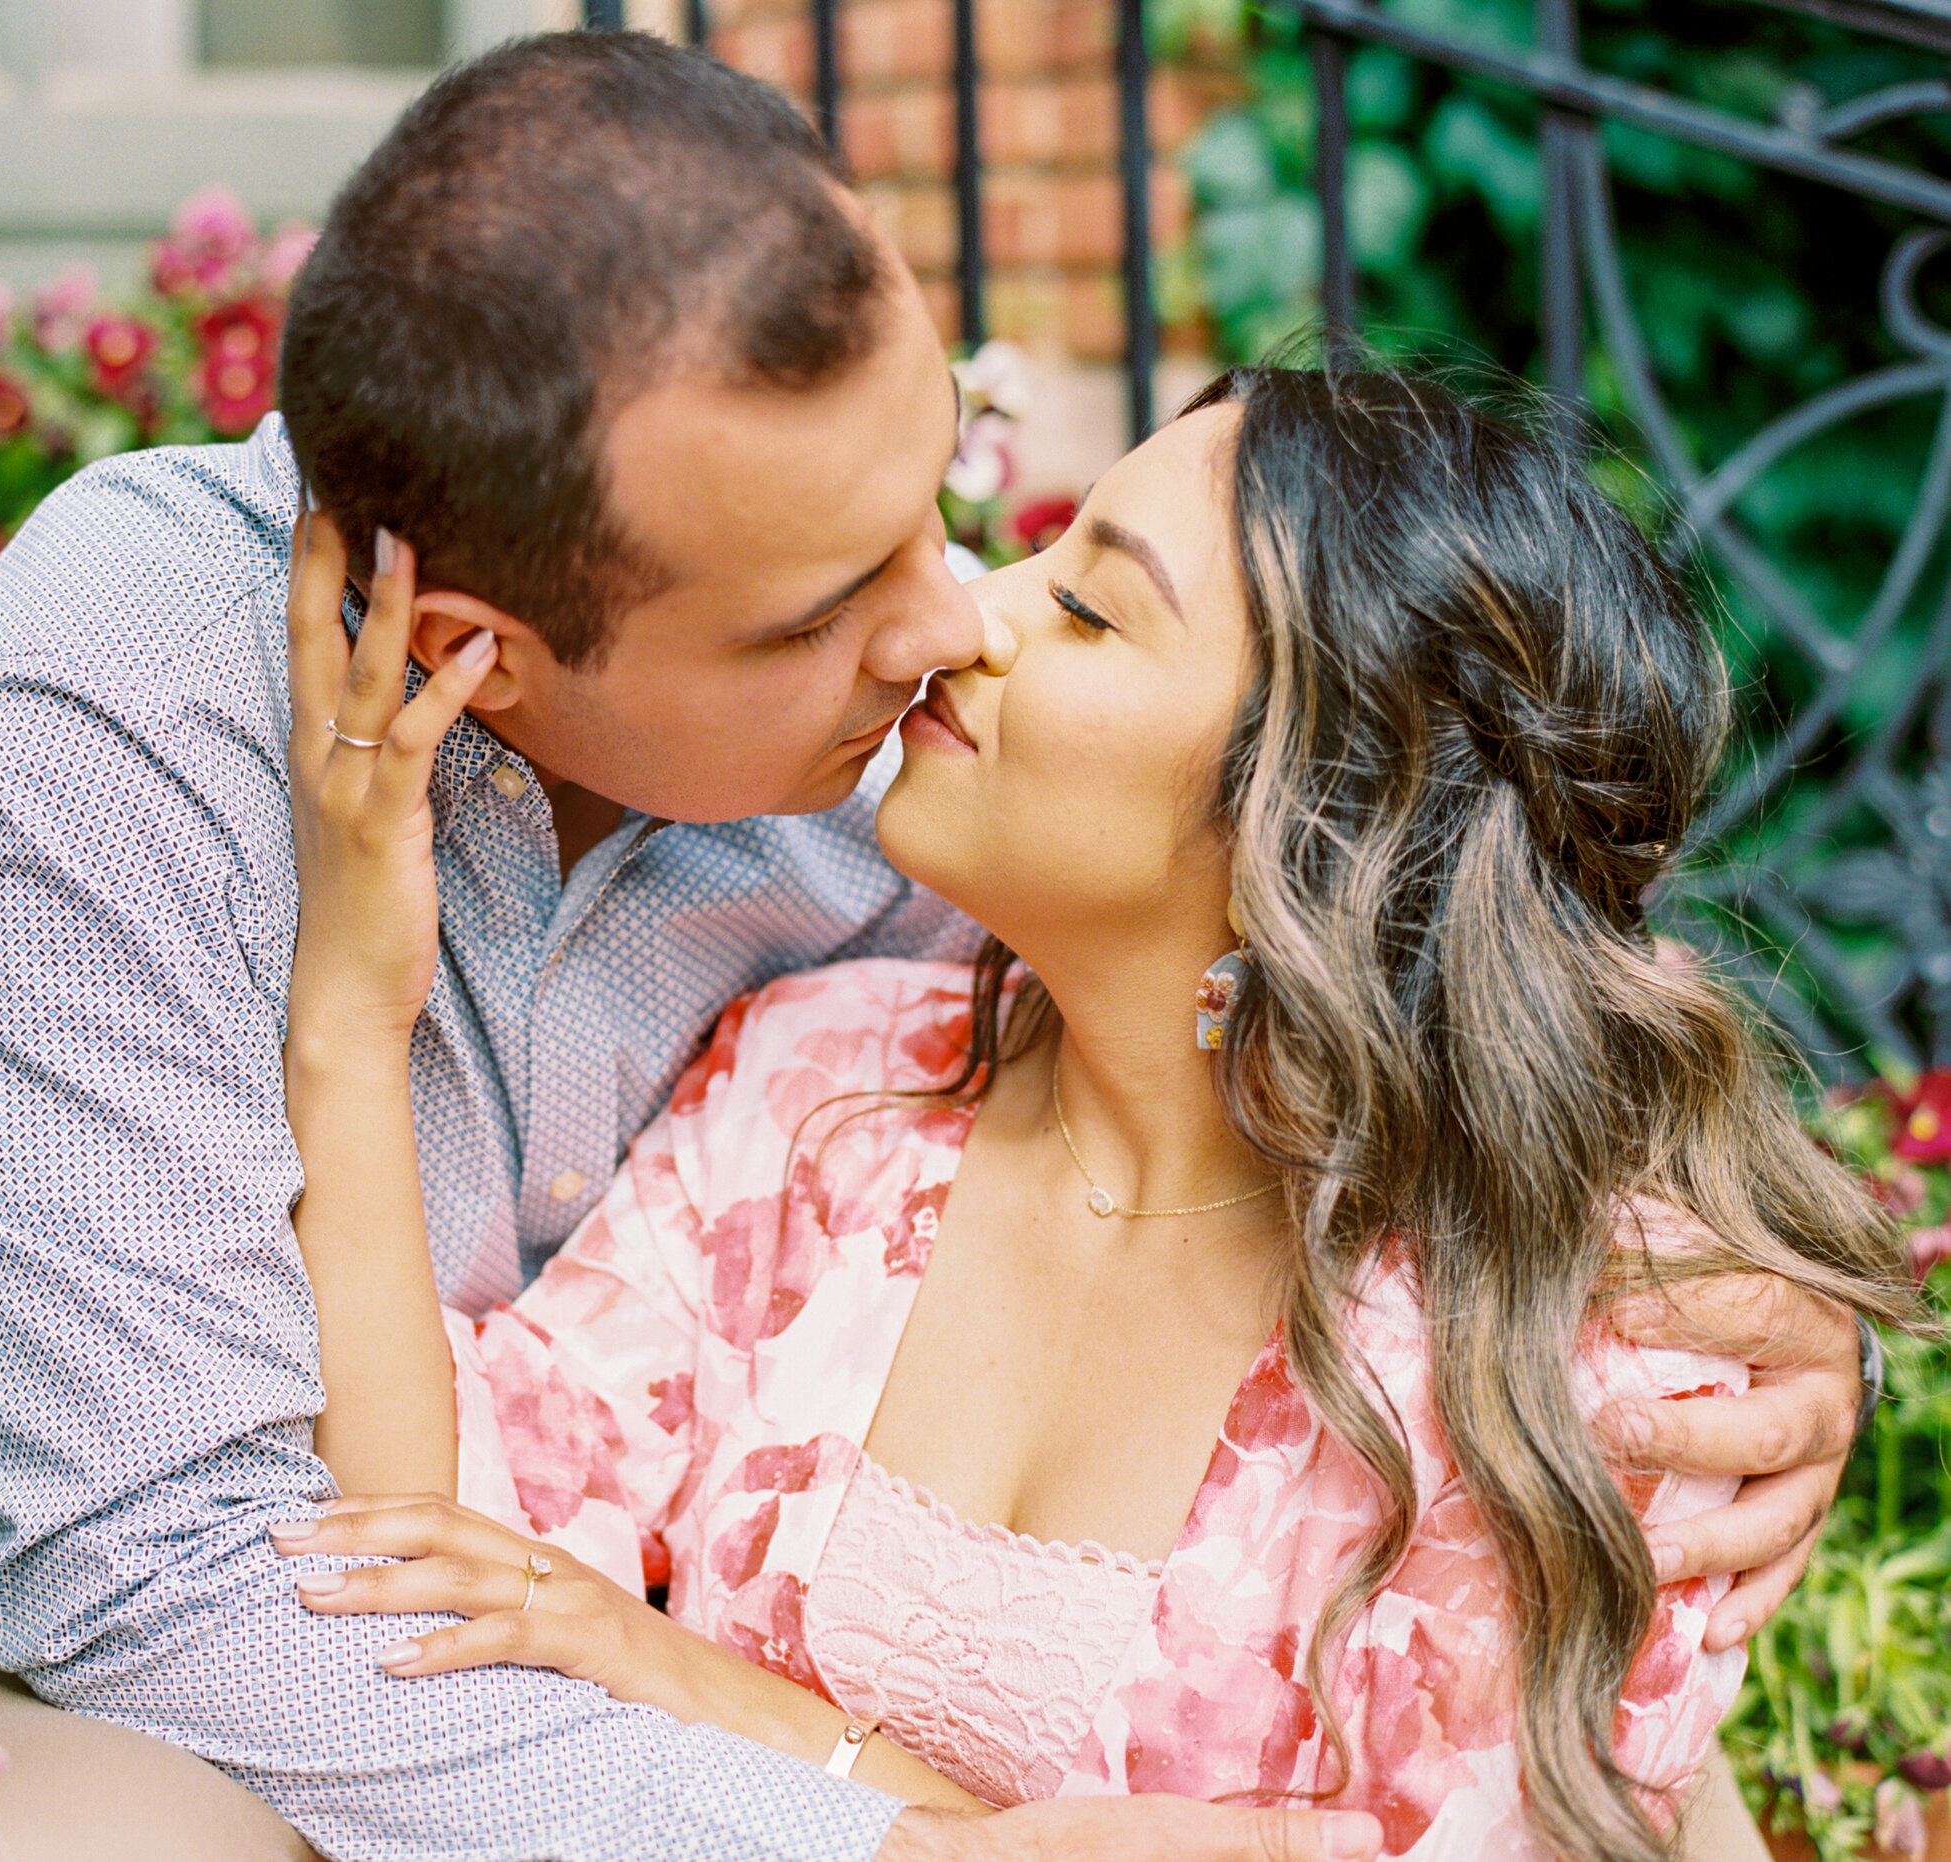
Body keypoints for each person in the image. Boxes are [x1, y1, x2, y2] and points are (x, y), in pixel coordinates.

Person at [0, 32, 1872, 1860]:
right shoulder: (88, 734)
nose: (953, 613)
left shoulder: (928, 760)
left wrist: (1741, 1314)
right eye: (827, 603)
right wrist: (880, 1840)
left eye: (955, 498)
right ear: (480, 657)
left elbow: (1355, 919)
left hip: (646, 1676)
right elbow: (179, 1584)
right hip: (201, 1638)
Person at [271, 363, 1925, 1859]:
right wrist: (353, 1015)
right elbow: (432, 1575)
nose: (973, 616)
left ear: (1319, 803)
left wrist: (697, 1685)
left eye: (1092, 611)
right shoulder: (814, 1098)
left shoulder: (1572, 1348)